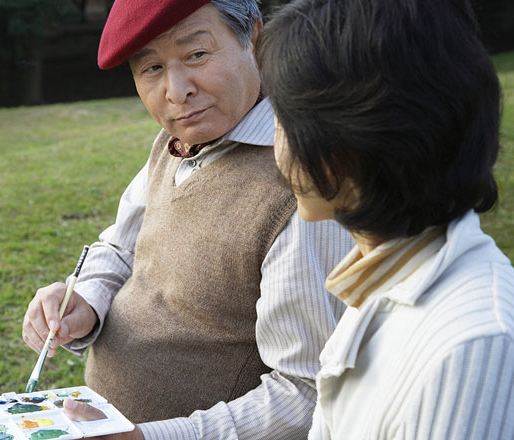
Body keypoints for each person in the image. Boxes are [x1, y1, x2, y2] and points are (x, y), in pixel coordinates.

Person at [22, 0, 353, 439]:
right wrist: (86, 299)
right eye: (151, 68)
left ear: (253, 36)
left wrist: (151, 437)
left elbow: (306, 392)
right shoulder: (175, 140)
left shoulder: (303, 187)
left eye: (196, 54)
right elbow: (120, 248)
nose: (176, 91)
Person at [256, 0, 514, 438]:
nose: (274, 146)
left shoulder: (472, 345)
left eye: (282, 121)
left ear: (344, 149)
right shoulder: (382, 278)